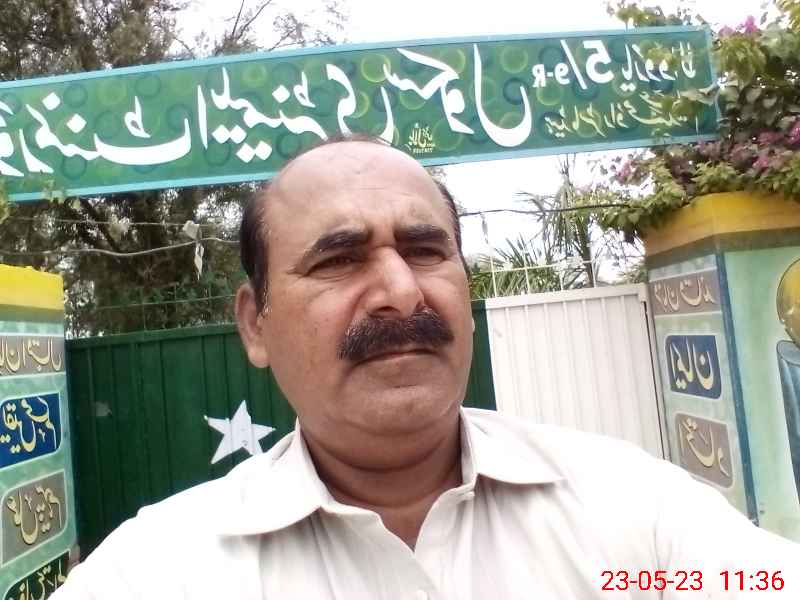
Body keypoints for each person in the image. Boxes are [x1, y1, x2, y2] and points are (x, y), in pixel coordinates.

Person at [54, 135, 798, 599]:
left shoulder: (632, 511)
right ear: (256, 324)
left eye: (424, 251)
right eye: (339, 259)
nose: (402, 291)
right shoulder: (160, 571)